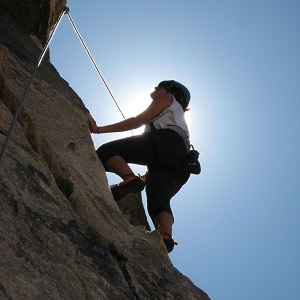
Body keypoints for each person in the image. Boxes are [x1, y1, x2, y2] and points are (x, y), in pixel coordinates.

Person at [86, 80, 191, 253]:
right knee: (158, 197)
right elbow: (161, 159)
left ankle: (129, 178)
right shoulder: (179, 118)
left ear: (172, 90)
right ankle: (165, 236)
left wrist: (98, 129)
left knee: (107, 151)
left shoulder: (167, 98)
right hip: (181, 164)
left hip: (165, 142)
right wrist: (146, 177)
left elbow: (137, 121)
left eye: (161, 85)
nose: (156, 88)